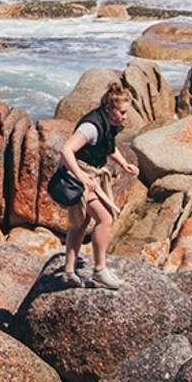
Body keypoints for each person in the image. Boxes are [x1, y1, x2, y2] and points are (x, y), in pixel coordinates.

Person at [47, 84, 139, 289]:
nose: (125, 117)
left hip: (90, 176)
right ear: (109, 108)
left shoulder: (107, 123)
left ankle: (69, 271)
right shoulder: (91, 126)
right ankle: (100, 270)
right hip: (77, 177)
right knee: (105, 218)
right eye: (122, 112)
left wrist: (123, 163)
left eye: (126, 113)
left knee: (80, 223)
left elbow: (108, 145)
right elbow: (67, 150)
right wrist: (81, 176)